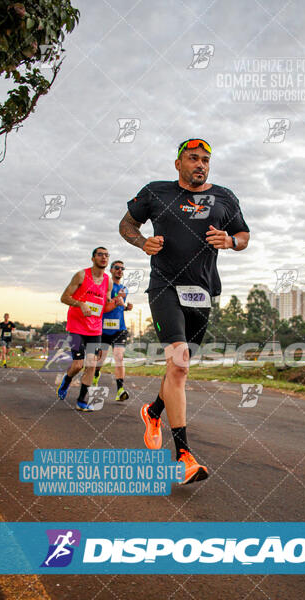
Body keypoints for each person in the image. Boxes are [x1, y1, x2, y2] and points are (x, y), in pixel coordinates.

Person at [119, 138, 250, 484]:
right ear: (177, 163)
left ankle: (153, 411)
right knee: (178, 364)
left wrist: (231, 241)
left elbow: (243, 235)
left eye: (206, 159)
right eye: (193, 158)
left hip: (202, 293)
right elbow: (127, 225)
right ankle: (184, 456)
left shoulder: (225, 197)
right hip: (164, 286)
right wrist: (140, 242)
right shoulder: (156, 192)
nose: (201, 164)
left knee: (180, 367)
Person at [57, 247, 123, 411]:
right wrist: (80, 303)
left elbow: (104, 308)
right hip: (77, 326)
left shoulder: (108, 281)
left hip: (95, 329)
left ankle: (81, 401)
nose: (104, 257)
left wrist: (116, 302)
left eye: (106, 255)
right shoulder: (81, 275)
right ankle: (67, 380)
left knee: (92, 364)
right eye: (100, 254)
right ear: (93, 258)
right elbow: (64, 297)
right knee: (78, 365)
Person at [92, 259, 133, 401]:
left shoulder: (124, 289)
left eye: (122, 268)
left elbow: (120, 305)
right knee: (100, 360)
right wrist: (117, 300)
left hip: (119, 329)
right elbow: (105, 304)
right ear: (111, 270)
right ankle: (95, 376)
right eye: (116, 267)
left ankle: (120, 390)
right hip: (104, 329)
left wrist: (127, 307)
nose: (119, 270)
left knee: (119, 357)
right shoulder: (105, 286)